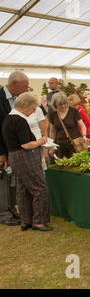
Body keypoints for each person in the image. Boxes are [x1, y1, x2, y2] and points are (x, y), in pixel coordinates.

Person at [1, 92, 51, 231]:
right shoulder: (19, 120)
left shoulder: (8, 119)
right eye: (33, 108)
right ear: (25, 105)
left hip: (15, 158)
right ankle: (39, 221)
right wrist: (41, 141)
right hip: (25, 157)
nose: (34, 111)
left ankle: (26, 220)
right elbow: (26, 144)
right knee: (40, 188)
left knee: (22, 190)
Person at [0, 71, 30, 226]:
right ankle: (3, 214)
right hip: (3, 150)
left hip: (14, 149)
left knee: (12, 181)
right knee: (3, 182)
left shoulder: (18, 100)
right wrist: (1, 153)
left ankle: (11, 209)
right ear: (14, 84)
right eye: (25, 86)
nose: (27, 90)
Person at [48, 93, 89, 159]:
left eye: (65, 103)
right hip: (61, 146)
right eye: (60, 104)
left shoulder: (74, 111)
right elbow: (52, 132)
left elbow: (82, 125)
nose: (63, 106)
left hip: (75, 144)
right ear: (55, 104)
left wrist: (84, 136)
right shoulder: (53, 114)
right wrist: (52, 146)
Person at [24, 92, 49, 171]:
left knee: (39, 170)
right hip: (25, 145)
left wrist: (45, 150)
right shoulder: (17, 111)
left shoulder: (38, 110)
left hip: (38, 145)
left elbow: (44, 130)